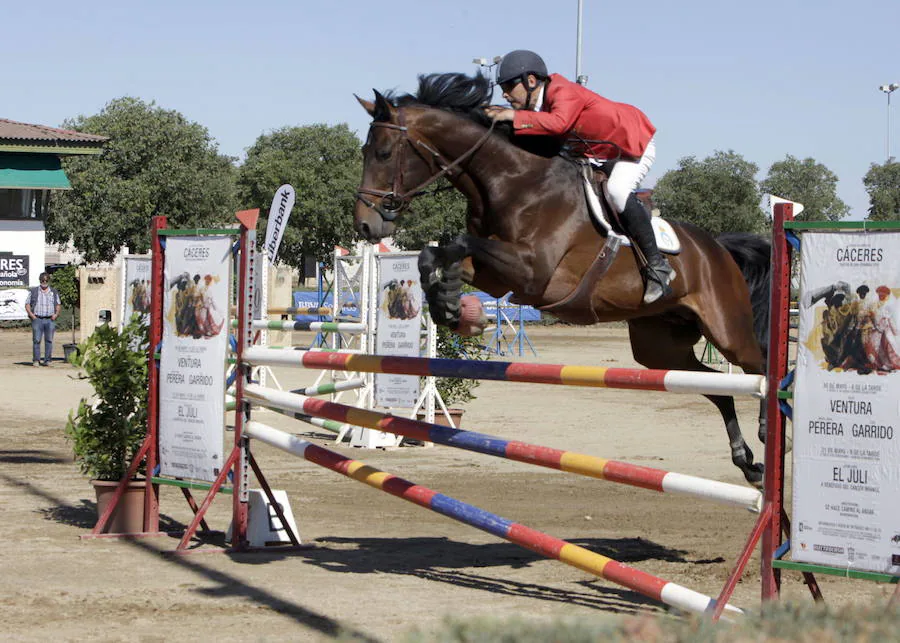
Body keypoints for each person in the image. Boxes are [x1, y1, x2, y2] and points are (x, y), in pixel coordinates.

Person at [483, 49, 674, 304]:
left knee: (617, 191)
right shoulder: (539, 107)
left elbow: (559, 124)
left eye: (508, 86)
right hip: (598, 152)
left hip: (633, 144)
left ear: (531, 81)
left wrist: (513, 116)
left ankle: (658, 266)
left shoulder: (562, 91)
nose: (505, 94)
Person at [24, 272, 61, 366]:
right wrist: (32, 315)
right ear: (40, 280)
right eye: (42, 280)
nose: (44, 282)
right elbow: (27, 304)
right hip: (37, 319)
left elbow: (58, 304)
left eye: (46, 280)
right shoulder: (34, 291)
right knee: (36, 340)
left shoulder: (54, 292)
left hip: (50, 320)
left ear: (48, 280)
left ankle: (47, 360)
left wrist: (56, 314)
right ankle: (36, 360)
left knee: (49, 340)